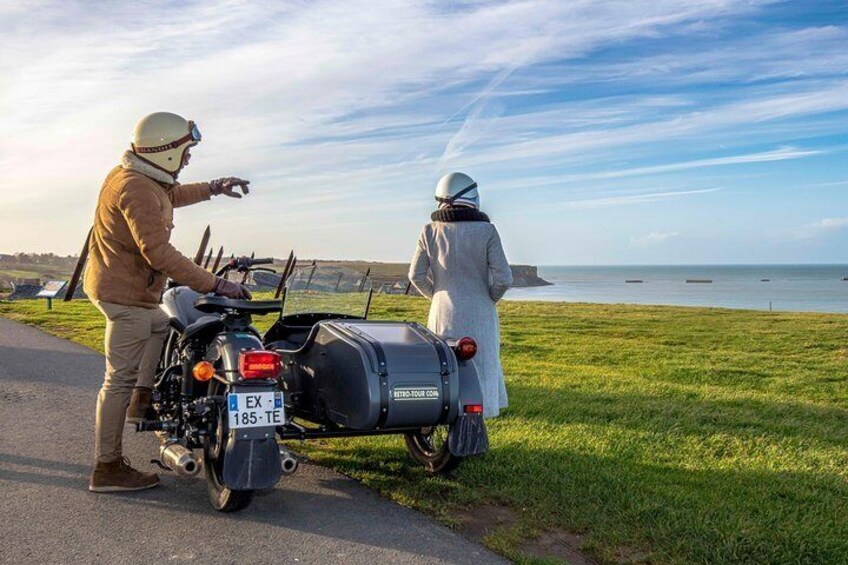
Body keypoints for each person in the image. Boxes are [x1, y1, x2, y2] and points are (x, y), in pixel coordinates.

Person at [84, 111, 253, 493]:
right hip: (124, 294)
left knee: (161, 326)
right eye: (184, 150)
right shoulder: (136, 187)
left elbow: (172, 195)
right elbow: (157, 251)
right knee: (118, 378)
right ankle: (107, 467)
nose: (188, 157)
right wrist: (216, 284)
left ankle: (141, 401)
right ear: (164, 151)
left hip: (134, 289)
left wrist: (214, 187)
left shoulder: (145, 178)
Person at [408, 172, 513, 418]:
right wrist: (489, 297)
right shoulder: (487, 231)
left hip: (441, 312)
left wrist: (436, 296)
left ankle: (443, 416)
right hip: (480, 311)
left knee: (444, 368)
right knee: (481, 368)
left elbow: (415, 275)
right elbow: (504, 279)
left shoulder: (429, 231)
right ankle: (479, 417)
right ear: (472, 196)